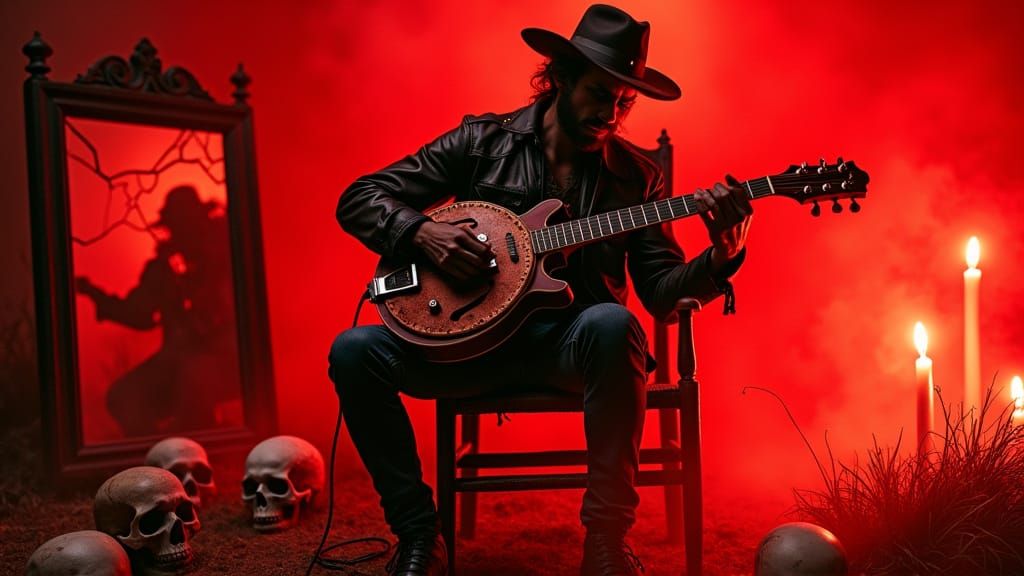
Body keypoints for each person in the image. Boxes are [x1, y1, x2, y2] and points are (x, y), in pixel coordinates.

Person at [330, 5, 752, 575]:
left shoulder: (637, 177)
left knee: (614, 322)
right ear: (560, 76)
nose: (611, 114)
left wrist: (722, 256)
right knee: (353, 350)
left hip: (569, 351)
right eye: (599, 94)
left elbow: (658, 292)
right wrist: (423, 234)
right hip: (467, 349)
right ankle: (419, 535)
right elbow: (359, 197)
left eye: (625, 103)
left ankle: (605, 544)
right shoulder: (481, 142)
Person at [76, 185, 240, 437]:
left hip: (229, 360)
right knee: (122, 398)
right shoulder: (163, 269)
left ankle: (203, 442)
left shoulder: (229, 254)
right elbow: (138, 313)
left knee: (195, 376)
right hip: (176, 362)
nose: (183, 231)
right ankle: (158, 452)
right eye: (178, 225)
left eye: (188, 223)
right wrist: (93, 293)